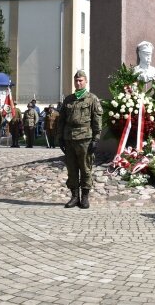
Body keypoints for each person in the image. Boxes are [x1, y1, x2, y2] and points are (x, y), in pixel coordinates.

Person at [58, 70, 102, 209]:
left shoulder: (92, 99)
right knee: (71, 169)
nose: (78, 83)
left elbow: (97, 120)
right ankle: (74, 196)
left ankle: (84, 197)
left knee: (85, 168)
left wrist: (96, 138)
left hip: (85, 139)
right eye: (76, 81)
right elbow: (62, 120)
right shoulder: (68, 99)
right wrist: (60, 137)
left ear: (85, 81)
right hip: (69, 138)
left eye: (81, 80)